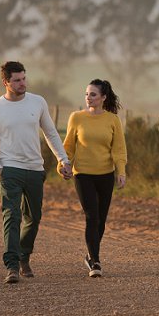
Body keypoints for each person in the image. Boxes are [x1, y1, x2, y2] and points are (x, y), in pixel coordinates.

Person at [0, 61, 73, 284]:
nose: (22, 83)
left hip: (35, 169)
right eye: (17, 80)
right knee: (11, 216)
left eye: (24, 78)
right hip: (9, 169)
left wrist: (63, 159)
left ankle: (24, 256)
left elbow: (51, 134)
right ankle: (12, 266)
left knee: (34, 217)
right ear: (6, 82)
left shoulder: (38, 102)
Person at [61, 78, 127, 278]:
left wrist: (120, 171)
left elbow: (119, 148)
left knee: (101, 220)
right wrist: (63, 164)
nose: (88, 98)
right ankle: (95, 261)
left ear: (103, 98)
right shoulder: (77, 117)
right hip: (83, 175)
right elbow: (69, 146)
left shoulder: (113, 120)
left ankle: (90, 254)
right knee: (92, 216)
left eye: (93, 94)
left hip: (105, 175)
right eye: (86, 94)